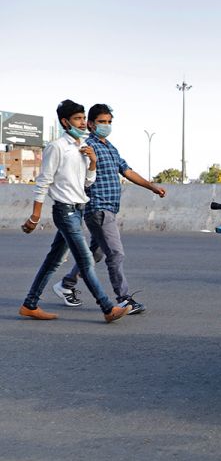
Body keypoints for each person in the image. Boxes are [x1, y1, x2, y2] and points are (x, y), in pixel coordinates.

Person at [19, 99, 128, 323]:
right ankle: (108, 308)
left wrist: (93, 163)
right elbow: (43, 182)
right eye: (77, 119)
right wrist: (35, 216)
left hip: (78, 210)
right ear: (65, 122)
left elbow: (87, 183)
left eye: (82, 118)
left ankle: (30, 304)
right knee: (86, 261)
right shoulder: (57, 147)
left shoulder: (83, 146)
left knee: (54, 261)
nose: (82, 123)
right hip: (64, 211)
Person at [54, 103, 167, 314]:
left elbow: (127, 171)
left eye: (109, 122)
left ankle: (66, 284)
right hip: (97, 207)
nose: (106, 125)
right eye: (101, 122)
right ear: (90, 124)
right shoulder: (86, 146)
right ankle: (123, 298)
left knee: (95, 254)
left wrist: (152, 187)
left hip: (110, 208)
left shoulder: (110, 147)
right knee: (115, 253)